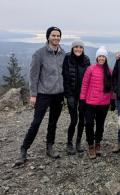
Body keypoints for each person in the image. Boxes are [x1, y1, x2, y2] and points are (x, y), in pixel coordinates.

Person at [15, 27, 65, 166]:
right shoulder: (39, 54)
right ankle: (24, 149)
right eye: (53, 35)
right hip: (43, 94)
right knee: (36, 122)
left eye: (58, 35)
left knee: (53, 123)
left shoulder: (63, 54)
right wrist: (33, 94)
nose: (56, 38)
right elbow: (33, 75)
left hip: (58, 94)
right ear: (48, 37)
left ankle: (50, 147)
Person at [80, 46, 113, 159]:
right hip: (90, 102)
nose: (101, 58)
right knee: (88, 123)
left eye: (103, 56)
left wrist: (112, 100)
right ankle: (90, 145)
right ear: (97, 57)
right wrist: (82, 100)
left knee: (100, 125)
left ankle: (98, 143)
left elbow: (111, 88)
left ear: (106, 58)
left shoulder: (109, 70)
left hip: (104, 103)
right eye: (100, 56)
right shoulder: (90, 69)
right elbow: (84, 85)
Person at [62, 40, 90, 155]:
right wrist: (68, 95)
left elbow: (89, 77)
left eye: (80, 47)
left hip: (83, 95)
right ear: (72, 48)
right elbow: (65, 77)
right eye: (76, 47)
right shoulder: (67, 58)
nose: (78, 49)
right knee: (74, 120)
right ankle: (69, 143)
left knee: (82, 120)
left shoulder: (86, 60)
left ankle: (78, 142)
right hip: (71, 94)